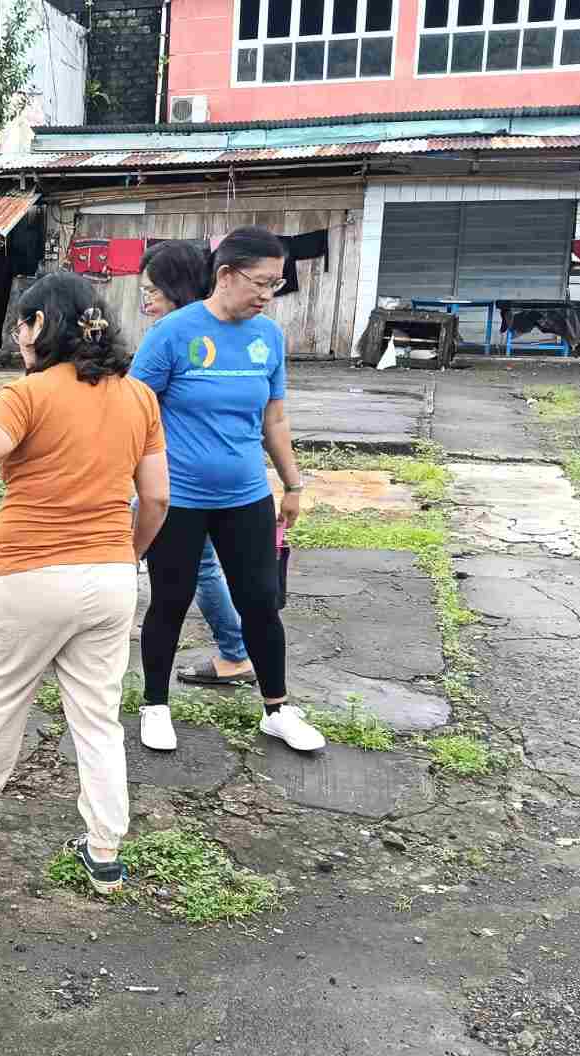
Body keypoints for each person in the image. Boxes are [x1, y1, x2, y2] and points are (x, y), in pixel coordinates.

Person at [0, 271, 169, 894]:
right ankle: (105, 850)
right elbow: (156, 498)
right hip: (112, 575)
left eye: (22, 322)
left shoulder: (29, 392)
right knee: (97, 717)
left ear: (41, 326)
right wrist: (128, 554)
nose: (18, 334)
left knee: (6, 693)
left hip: (31, 575)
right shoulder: (138, 397)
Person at [128, 226, 325, 754]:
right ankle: (155, 705)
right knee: (170, 600)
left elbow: (274, 419)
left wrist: (293, 483)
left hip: (246, 498)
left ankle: (277, 710)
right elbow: (133, 411)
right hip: (181, 499)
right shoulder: (173, 333)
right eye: (260, 282)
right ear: (225, 275)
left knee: (261, 602)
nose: (267, 295)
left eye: (276, 285)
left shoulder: (269, 338)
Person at [138, 240, 254, 687]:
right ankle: (236, 649)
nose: (146, 298)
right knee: (203, 566)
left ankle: (234, 651)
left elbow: (136, 404)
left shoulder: (172, 335)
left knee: (169, 566)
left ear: (175, 287)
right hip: (224, 477)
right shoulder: (233, 333)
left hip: (178, 478)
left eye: (152, 289)